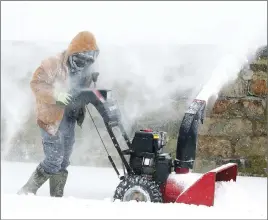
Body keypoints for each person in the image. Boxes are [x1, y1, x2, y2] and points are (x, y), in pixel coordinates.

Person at [17, 31, 100, 197]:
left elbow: (79, 90)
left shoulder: (85, 69)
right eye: (79, 60)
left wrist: (91, 83)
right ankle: (25, 193)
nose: (82, 65)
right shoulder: (52, 63)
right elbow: (36, 84)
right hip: (51, 118)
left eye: (87, 61)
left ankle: (56, 198)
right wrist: (57, 95)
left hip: (69, 118)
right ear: (72, 52)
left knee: (63, 161)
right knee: (53, 160)